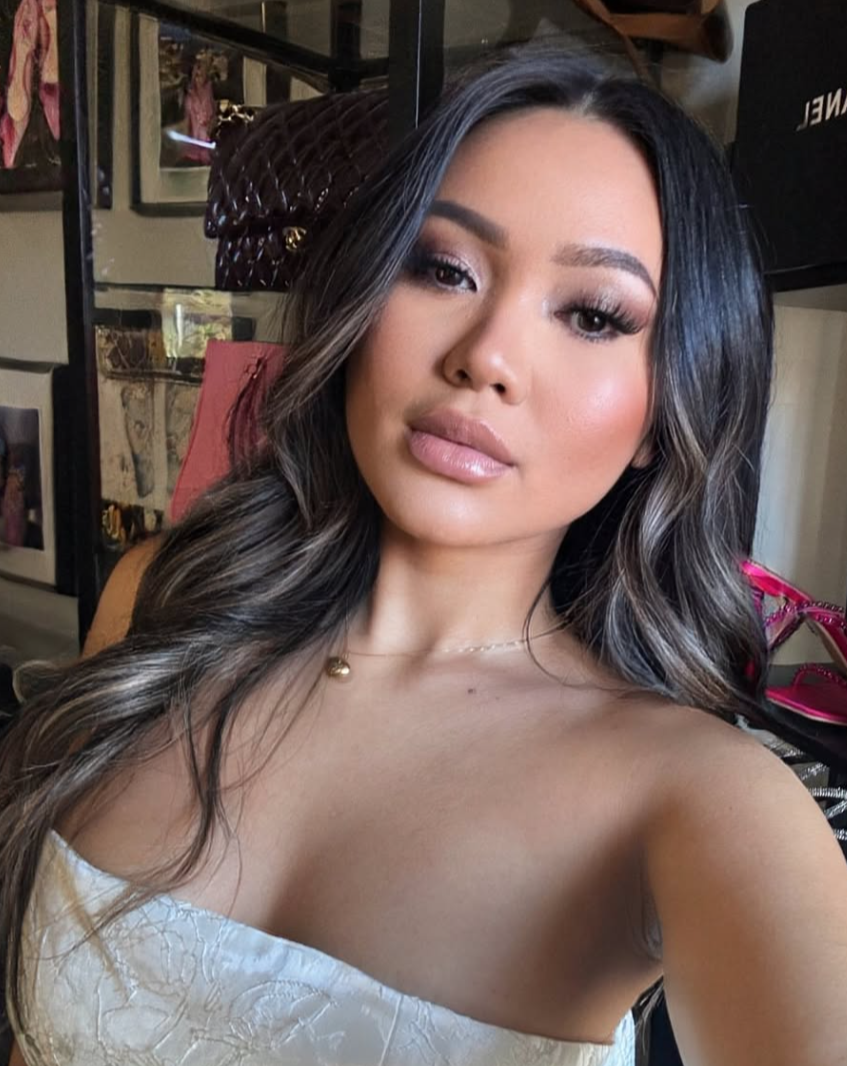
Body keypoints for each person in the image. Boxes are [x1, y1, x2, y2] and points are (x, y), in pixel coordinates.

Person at [3, 46, 847, 1066]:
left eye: (592, 314)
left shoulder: (699, 802)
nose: (486, 354)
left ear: (663, 415)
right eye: (443, 267)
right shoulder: (163, 602)